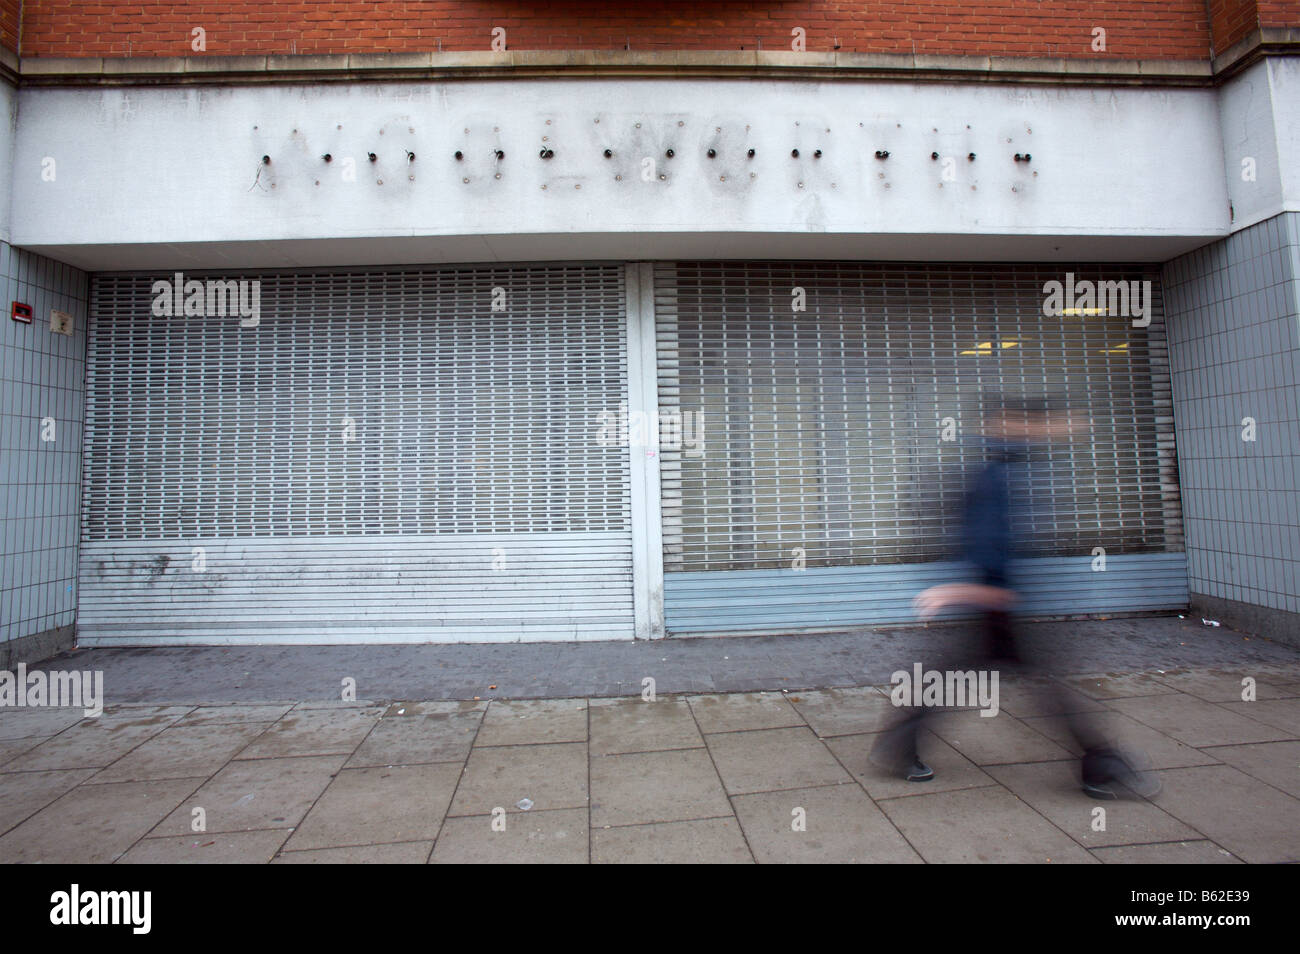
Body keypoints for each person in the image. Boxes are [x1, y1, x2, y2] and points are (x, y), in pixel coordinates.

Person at [870, 392, 1160, 800]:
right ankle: (1101, 764)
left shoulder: (1009, 465)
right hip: (999, 600)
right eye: (1032, 422)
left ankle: (898, 746)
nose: (1049, 429)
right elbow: (985, 543)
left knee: (968, 673)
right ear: (1006, 426)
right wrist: (969, 590)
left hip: (1001, 602)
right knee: (1040, 684)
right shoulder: (996, 475)